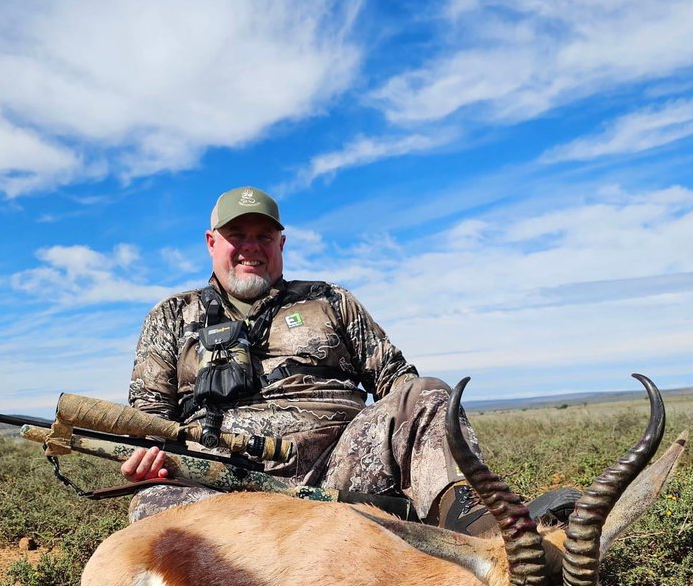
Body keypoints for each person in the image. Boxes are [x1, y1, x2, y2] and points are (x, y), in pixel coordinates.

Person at [120, 185, 576, 533]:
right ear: (211, 242)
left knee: (427, 394)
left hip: (344, 471)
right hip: (222, 480)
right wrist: (145, 458)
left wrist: (415, 443)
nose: (251, 247)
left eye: (264, 236)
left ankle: (486, 537)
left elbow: (397, 380)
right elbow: (148, 422)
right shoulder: (171, 317)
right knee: (152, 505)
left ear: (282, 243)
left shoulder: (330, 301)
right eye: (236, 235)